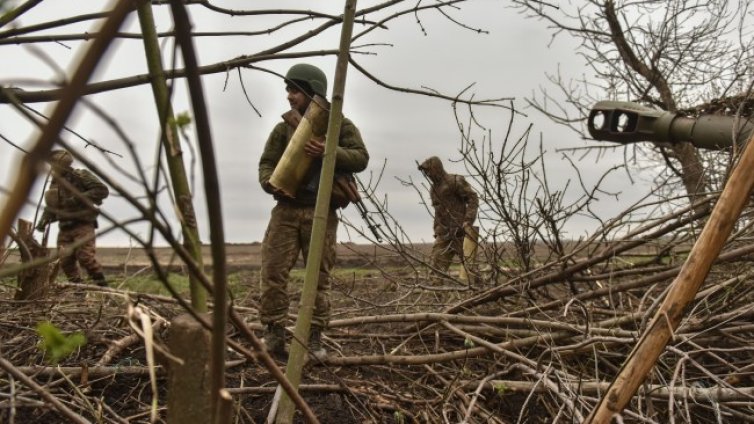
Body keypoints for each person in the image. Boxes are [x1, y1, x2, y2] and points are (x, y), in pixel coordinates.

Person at [258, 63, 369, 359]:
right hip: (286, 211)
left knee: (318, 278)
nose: (289, 96)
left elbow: (360, 157)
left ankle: (314, 339)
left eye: (295, 90)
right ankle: (273, 335)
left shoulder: (339, 126)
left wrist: (328, 151)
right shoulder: (284, 128)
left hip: (321, 211)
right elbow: (266, 165)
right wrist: (270, 184)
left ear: (312, 92)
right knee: (272, 272)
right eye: (288, 90)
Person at [36, 149, 110, 287]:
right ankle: (79, 291)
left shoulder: (81, 175)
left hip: (82, 224)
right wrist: (44, 220)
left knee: (85, 257)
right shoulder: (54, 183)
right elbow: (52, 207)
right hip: (64, 227)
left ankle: (104, 288)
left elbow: (102, 190)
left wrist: (78, 198)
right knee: (65, 261)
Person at [418, 156, 479, 282]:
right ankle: (433, 298)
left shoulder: (455, 181)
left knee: (471, 272)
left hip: (461, 233)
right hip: (444, 235)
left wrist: (468, 221)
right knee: (435, 272)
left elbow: (473, 198)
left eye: (429, 170)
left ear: (436, 169)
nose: (428, 174)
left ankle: (483, 295)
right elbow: (438, 211)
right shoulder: (434, 189)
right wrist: (437, 229)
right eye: (426, 172)